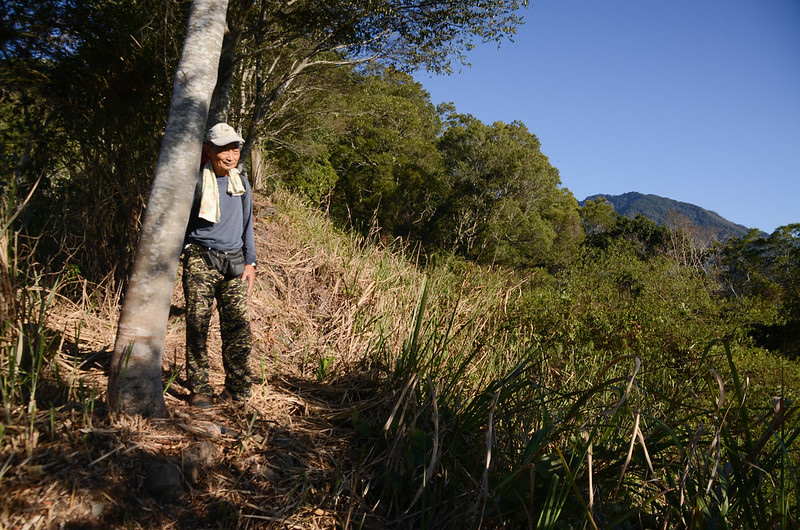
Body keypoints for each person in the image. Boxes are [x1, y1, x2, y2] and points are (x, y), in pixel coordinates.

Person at [182, 123, 257, 408]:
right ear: (209, 151)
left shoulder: (241, 183)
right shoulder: (197, 181)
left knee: (238, 330)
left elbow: (248, 224)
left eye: (235, 148)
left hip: (235, 263)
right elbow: (181, 223)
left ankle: (237, 391)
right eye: (224, 149)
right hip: (201, 259)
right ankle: (200, 389)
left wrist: (250, 262)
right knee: (198, 325)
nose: (231, 155)